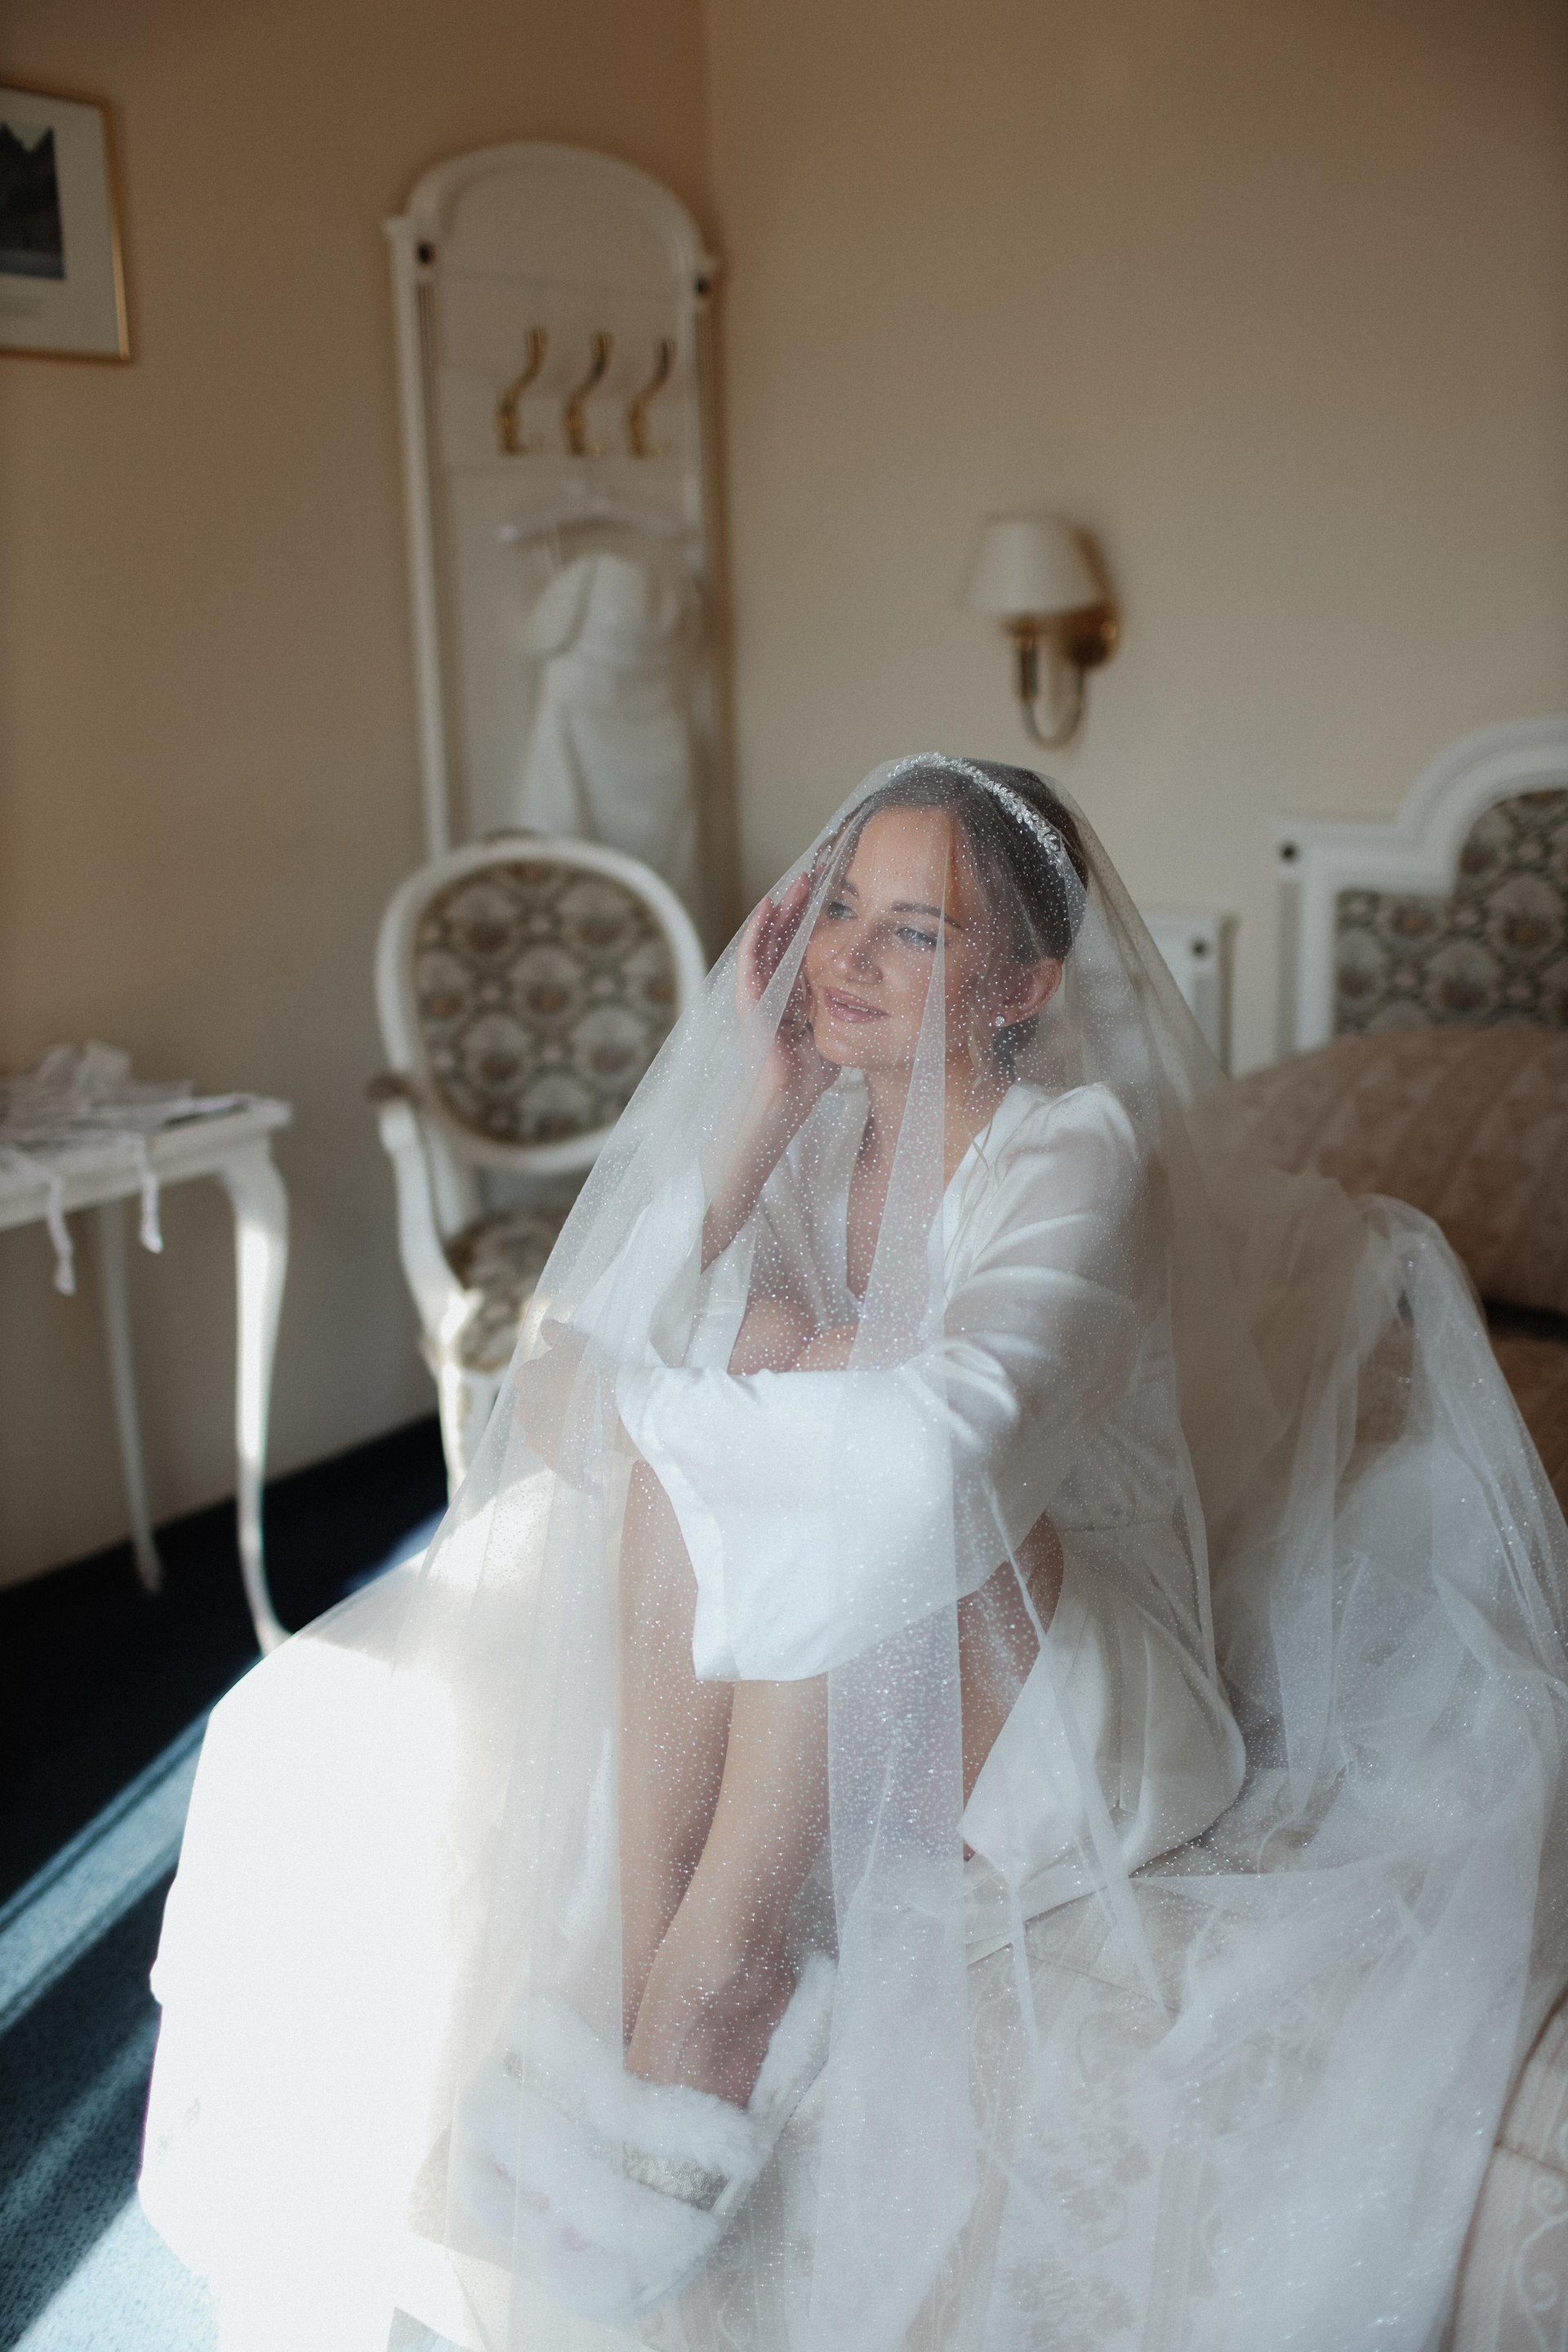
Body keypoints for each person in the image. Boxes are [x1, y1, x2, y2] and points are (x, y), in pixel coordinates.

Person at [142, 758, 1568, 2352]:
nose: (847, 959)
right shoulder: (812, 1148)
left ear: (1022, 986)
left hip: (1062, 1711)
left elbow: (940, 1459)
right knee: (749, 1394)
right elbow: (555, 1384)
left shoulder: (1076, 1150)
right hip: (857, 1661)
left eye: (915, 932)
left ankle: (721, 1974)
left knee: (808, 1415)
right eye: (838, 908)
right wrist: (755, 1120)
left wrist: (733, 1384)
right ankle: (660, 1956)